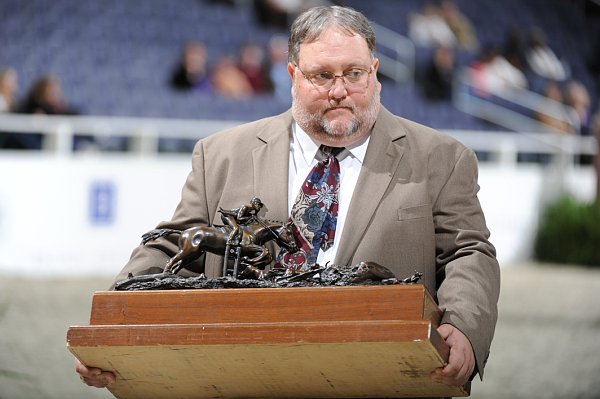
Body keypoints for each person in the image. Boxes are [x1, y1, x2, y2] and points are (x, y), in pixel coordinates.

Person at [76, 5, 500, 395]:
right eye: (322, 75)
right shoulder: (220, 154)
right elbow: (174, 244)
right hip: (245, 376)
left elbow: (469, 252)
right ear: (294, 77)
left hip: (382, 376)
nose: (340, 90)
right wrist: (112, 322)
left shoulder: (442, 157)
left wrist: (464, 327)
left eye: (354, 73)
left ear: (375, 73)